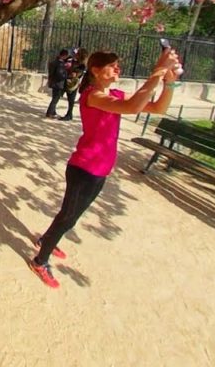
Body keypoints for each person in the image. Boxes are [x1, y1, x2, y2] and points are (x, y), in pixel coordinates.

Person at [28, 47, 181, 289]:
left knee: (72, 217)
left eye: (118, 64)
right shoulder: (92, 95)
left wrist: (169, 84)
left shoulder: (117, 94)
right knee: (67, 217)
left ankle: (47, 239)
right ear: (96, 71)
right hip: (84, 169)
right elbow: (131, 108)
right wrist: (157, 71)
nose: (118, 68)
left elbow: (157, 109)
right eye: (112, 65)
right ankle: (40, 260)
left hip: (100, 170)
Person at [60, 48, 89, 121]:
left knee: (71, 98)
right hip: (72, 81)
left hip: (73, 82)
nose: (75, 54)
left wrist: (71, 72)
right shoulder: (75, 61)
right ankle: (69, 114)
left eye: (77, 53)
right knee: (70, 98)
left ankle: (69, 114)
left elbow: (75, 74)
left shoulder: (81, 65)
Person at [45, 49, 70, 118]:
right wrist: (66, 76)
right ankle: (49, 113)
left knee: (54, 97)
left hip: (53, 82)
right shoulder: (60, 64)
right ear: (64, 55)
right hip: (58, 83)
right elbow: (60, 74)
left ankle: (53, 111)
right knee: (56, 98)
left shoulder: (54, 62)